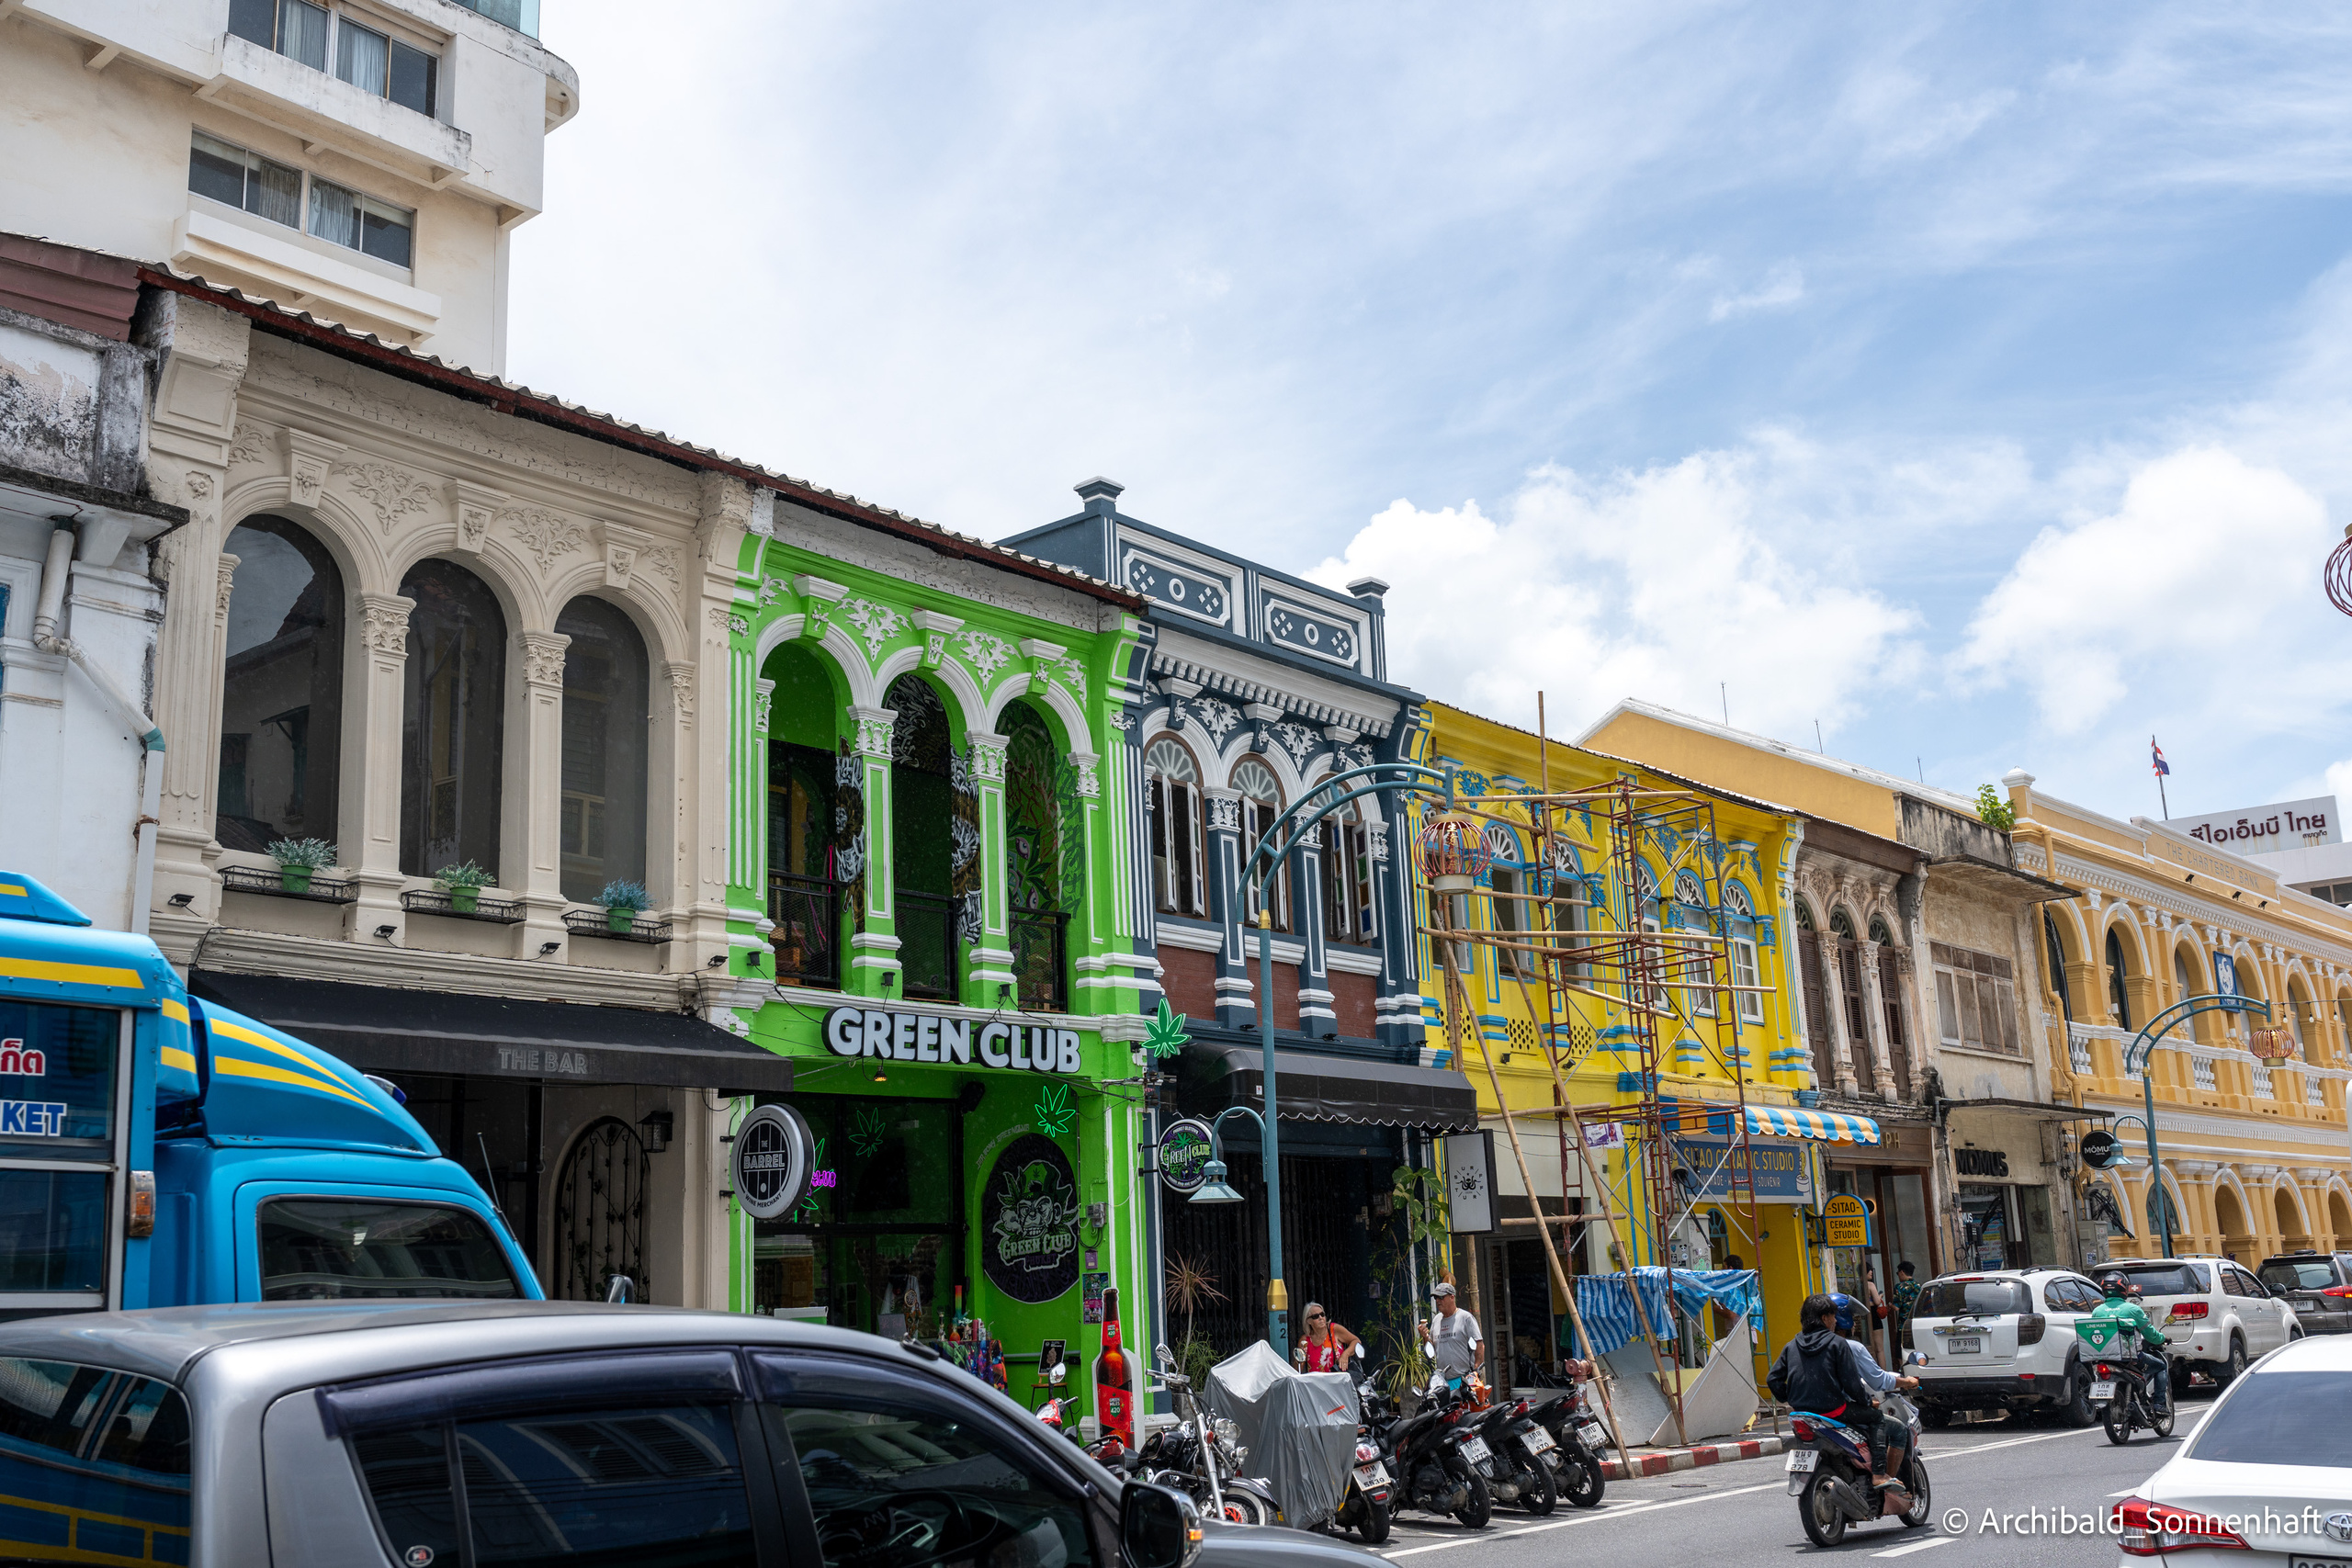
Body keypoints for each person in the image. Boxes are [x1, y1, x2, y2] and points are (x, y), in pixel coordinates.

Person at [1830, 1293, 1919, 1508]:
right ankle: (1883, 1478)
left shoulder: (1803, 1344)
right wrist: (1906, 1381)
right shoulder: (1850, 1347)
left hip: (1810, 1409)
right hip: (1841, 1410)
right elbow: (1878, 1380)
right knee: (1896, 1429)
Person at [1768, 1293, 1873, 1473]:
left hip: (1800, 1412)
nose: (1835, 1322)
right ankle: (1879, 1473)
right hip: (1832, 1410)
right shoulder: (1838, 1343)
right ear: (1825, 1318)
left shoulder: (1791, 1346)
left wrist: (1789, 1397)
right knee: (1877, 1419)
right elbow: (1852, 1385)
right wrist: (1867, 1402)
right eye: (1833, 1317)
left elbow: (1772, 1379)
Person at [2090, 1271, 2171, 1413]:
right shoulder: (2133, 1310)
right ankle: (2159, 1404)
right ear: (2124, 1289)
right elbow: (2151, 1336)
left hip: (2104, 1358)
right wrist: (2163, 1339)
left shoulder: (2097, 1311)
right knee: (2161, 1366)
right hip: (2131, 1359)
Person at [1419, 1281, 1484, 1393]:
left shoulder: (1465, 1318)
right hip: (1442, 1382)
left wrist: (1476, 1371)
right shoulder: (1436, 1320)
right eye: (1436, 1298)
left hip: (1464, 1379)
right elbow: (1431, 1349)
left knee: (1464, 1410)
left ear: (1452, 1297)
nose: (1438, 1301)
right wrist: (1425, 1337)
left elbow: (1479, 1344)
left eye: (1441, 1297)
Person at [1296, 1303, 1362, 1372]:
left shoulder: (1334, 1330)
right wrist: (1300, 1358)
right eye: (1315, 1316)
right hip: (1317, 1382)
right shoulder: (1305, 1341)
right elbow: (1297, 1370)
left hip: (1339, 1380)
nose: (1320, 1318)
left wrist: (1345, 1354)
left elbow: (1356, 1341)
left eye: (1322, 1314)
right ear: (1308, 1321)